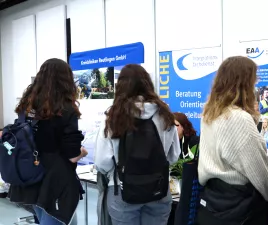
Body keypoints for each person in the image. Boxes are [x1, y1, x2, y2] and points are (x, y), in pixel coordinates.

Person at [94, 64, 180, 225]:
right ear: (148, 84)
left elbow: (102, 162)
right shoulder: (165, 114)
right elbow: (174, 156)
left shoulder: (113, 117)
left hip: (122, 190)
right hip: (159, 189)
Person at [196, 56, 268, 225]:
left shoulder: (210, 114)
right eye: (254, 82)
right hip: (239, 206)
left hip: (214, 200)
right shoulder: (238, 118)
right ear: (245, 83)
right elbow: (260, 173)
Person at [8, 58, 86, 225]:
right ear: (66, 81)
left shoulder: (26, 107)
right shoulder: (66, 109)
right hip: (55, 182)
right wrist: (83, 152)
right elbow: (72, 155)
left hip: (29, 177)